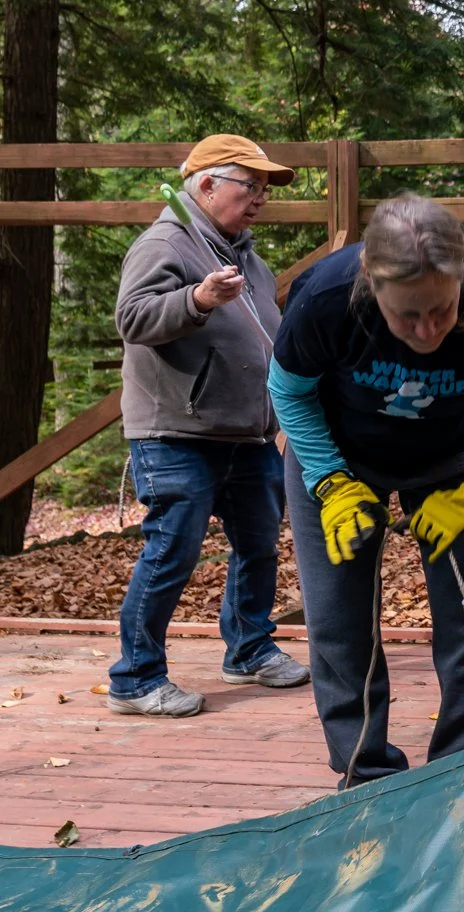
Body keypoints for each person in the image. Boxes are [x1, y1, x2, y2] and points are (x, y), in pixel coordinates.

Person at [268, 195, 464, 787]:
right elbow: (288, 390)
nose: (427, 331)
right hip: (337, 453)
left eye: (442, 311)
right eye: (407, 316)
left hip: (456, 457)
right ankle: (365, 774)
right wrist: (330, 482)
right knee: (339, 618)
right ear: (371, 283)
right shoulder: (327, 297)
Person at [108, 134, 310, 717]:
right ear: (206, 185)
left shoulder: (249, 259)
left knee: (259, 546)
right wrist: (197, 298)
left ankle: (248, 649)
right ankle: (136, 678)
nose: (261, 199)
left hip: (247, 432)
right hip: (176, 431)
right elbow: (132, 319)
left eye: (266, 190)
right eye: (252, 186)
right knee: (172, 551)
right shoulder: (165, 242)